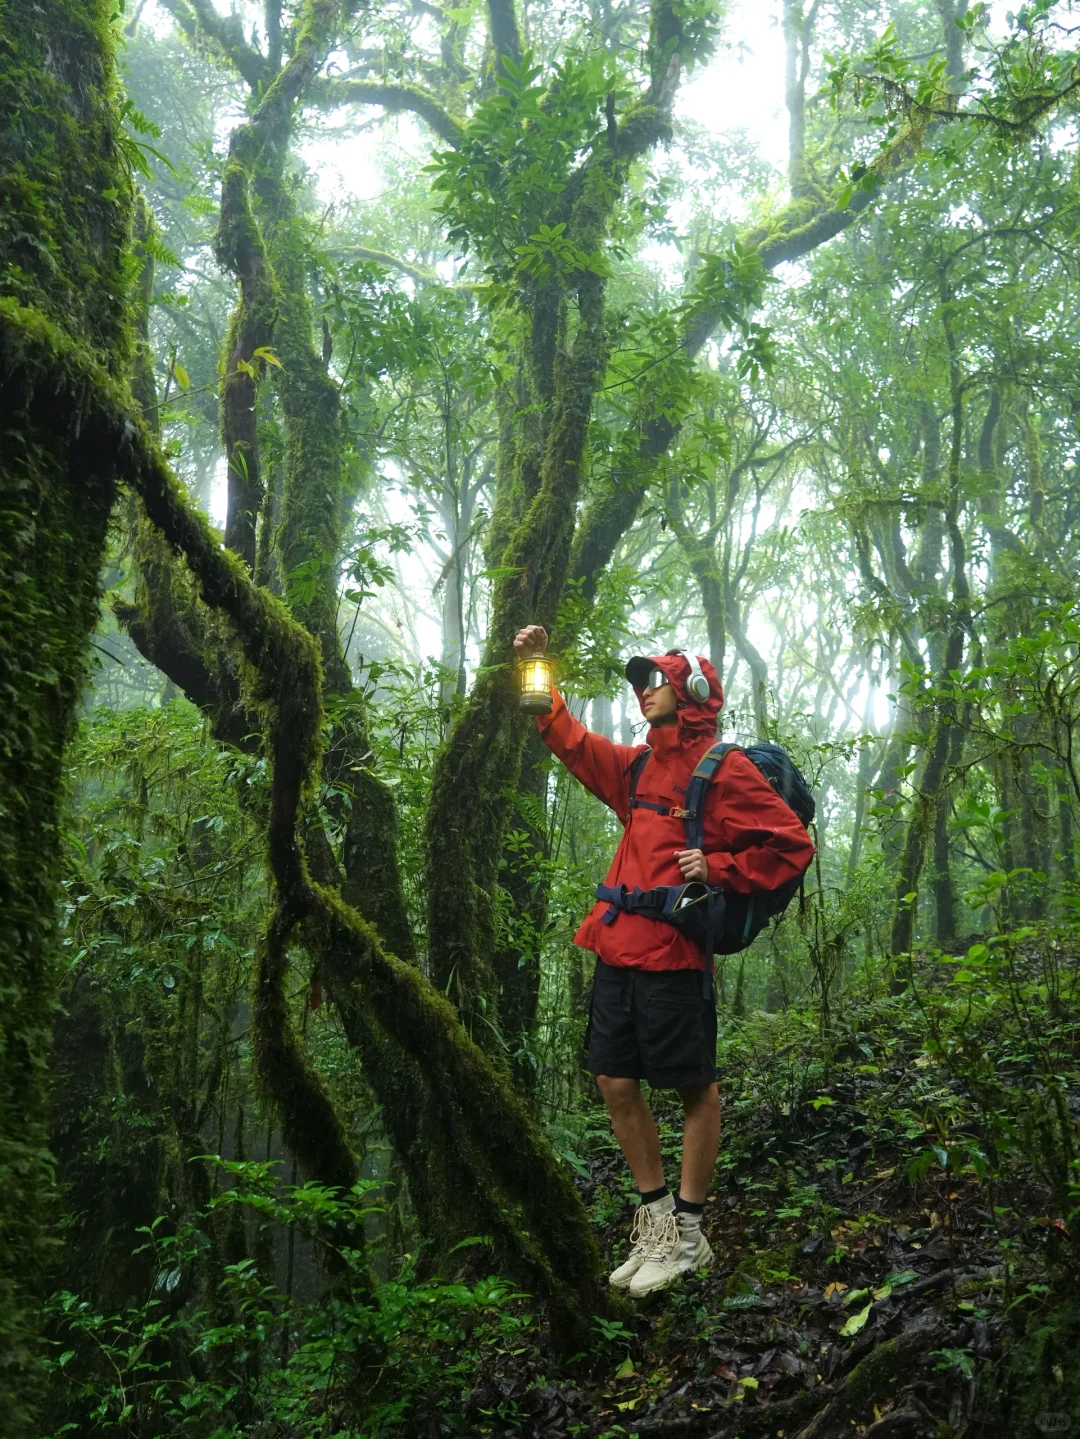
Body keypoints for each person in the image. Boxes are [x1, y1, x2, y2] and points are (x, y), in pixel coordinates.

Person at [513, 624, 815, 1297]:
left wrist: (720, 864)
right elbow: (572, 742)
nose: (645, 691)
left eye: (656, 680)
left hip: (676, 954)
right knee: (615, 1082)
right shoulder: (640, 767)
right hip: (617, 946)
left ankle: (686, 1234)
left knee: (691, 1086)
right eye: (642, 682)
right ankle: (654, 1225)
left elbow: (791, 846)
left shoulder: (724, 768)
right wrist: (537, 665)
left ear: (691, 692)